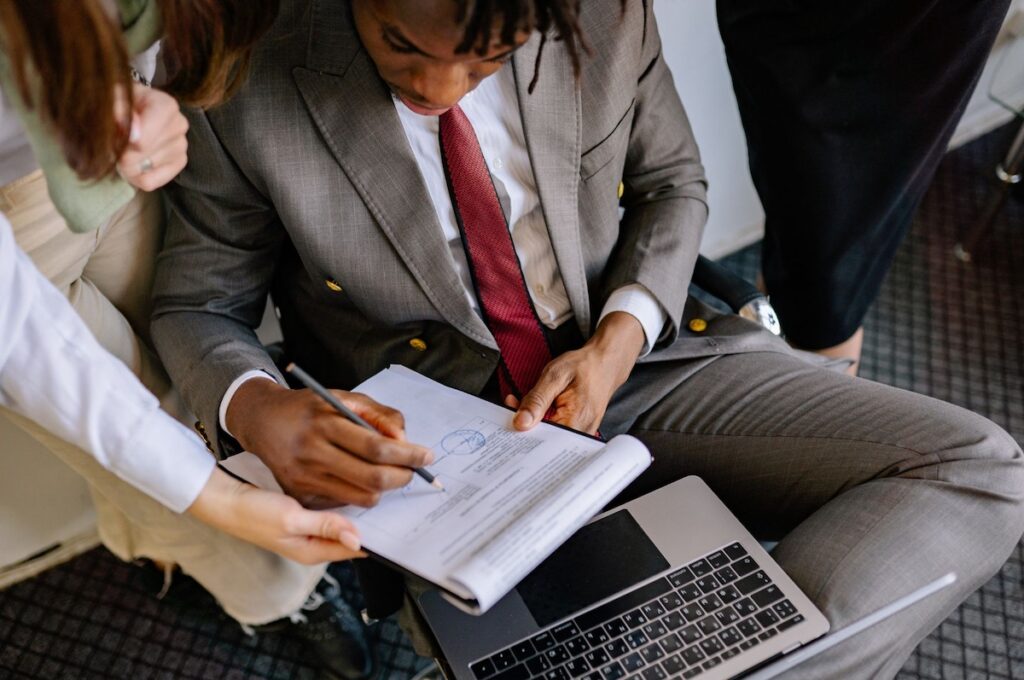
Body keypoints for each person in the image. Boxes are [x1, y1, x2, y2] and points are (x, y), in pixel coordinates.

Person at [151, 0, 1024, 677]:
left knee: (980, 468)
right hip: (431, 444)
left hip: (635, 364)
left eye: (487, 59)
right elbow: (196, 303)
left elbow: (674, 183)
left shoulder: (603, 14)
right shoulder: (248, 70)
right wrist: (260, 407)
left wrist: (618, 337)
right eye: (403, 46)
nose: (442, 89)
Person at [0, 2, 374, 677]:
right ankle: (279, 593)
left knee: (184, 360)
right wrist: (219, 496)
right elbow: (22, 336)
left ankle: (151, 546)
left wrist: (141, 89)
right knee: (135, 425)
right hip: (17, 228)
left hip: (121, 164)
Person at [715, 0, 1013, 373]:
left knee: (829, 281)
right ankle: (781, 347)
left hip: (918, 31)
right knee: (797, 228)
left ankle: (810, 411)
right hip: (785, 29)